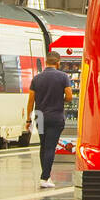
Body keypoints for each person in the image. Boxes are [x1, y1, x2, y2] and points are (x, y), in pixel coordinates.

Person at [25, 51, 74, 189]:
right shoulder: (63, 77)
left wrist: (28, 120)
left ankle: (45, 175)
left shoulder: (37, 78)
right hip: (55, 116)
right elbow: (69, 96)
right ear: (58, 62)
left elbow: (30, 101)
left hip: (39, 116)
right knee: (50, 147)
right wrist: (61, 100)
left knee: (43, 145)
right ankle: (45, 177)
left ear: (46, 62)